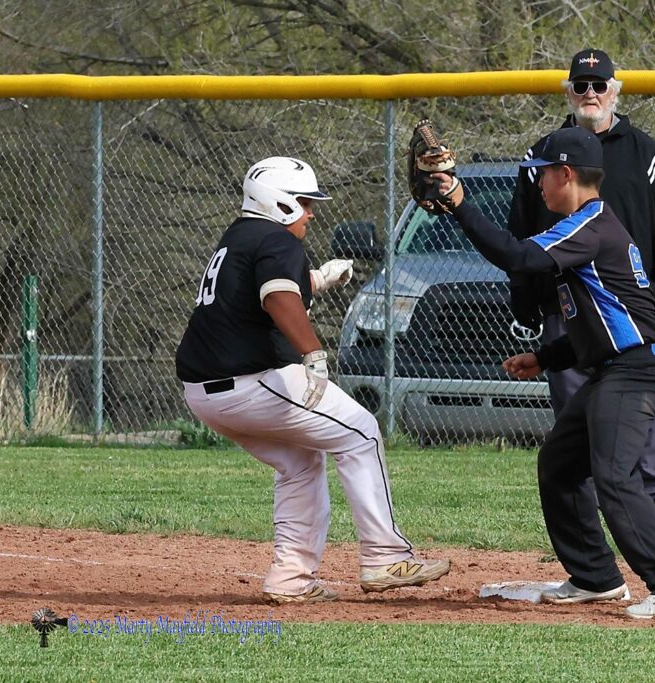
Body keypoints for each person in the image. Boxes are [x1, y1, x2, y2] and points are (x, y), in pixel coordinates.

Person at [432, 128, 655, 619]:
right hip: (618, 367)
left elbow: (518, 257)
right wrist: (547, 357)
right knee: (560, 464)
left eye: (542, 174)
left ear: (566, 173)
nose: (538, 184)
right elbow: (602, 321)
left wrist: (460, 204)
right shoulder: (589, 227)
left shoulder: (589, 224)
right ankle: (595, 577)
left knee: (614, 476)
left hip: (635, 370)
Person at [175, 156, 449, 604]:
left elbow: (261, 286)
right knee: (362, 432)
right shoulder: (276, 239)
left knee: (301, 463)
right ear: (278, 202)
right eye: (304, 202)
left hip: (204, 394)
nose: (311, 212)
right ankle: (384, 556)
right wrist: (313, 352)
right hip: (251, 382)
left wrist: (317, 279)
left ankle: (291, 578)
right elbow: (278, 296)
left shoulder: (241, 235)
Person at [507, 48, 655, 512]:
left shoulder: (648, 155)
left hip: (628, 302)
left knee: (636, 395)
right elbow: (521, 228)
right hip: (564, 299)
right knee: (575, 401)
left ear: (615, 91)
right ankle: (582, 489)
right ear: (569, 92)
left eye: (599, 85)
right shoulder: (543, 155)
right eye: (581, 85)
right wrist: (523, 292)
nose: (590, 93)